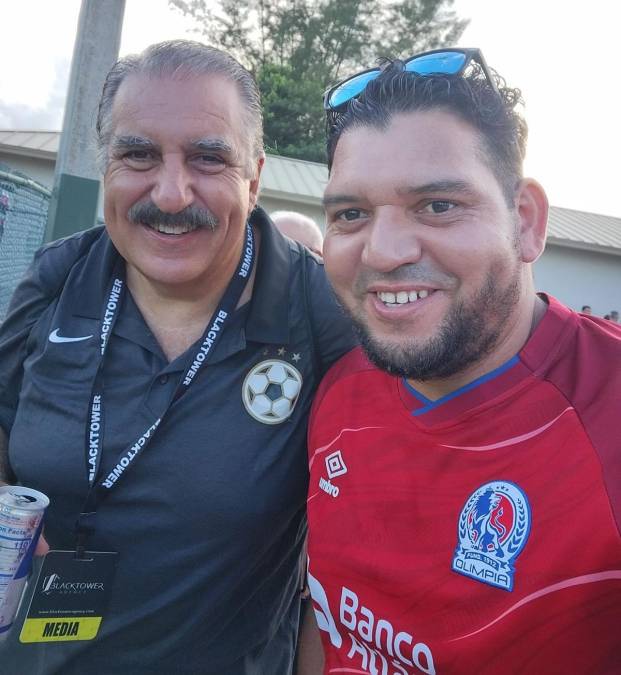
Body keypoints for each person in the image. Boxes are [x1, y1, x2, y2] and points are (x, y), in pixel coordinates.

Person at [0, 40, 354, 674]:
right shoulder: (59, 279)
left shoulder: (320, 312)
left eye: (208, 157)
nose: (169, 193)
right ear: (104, 165)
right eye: (137, 154)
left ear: (255, 178)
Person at [302, 48, 621, 674]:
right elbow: (327, 620)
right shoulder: (339, 390)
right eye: (351, 215)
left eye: (438, 205)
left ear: (525, 222)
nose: (385, 251)